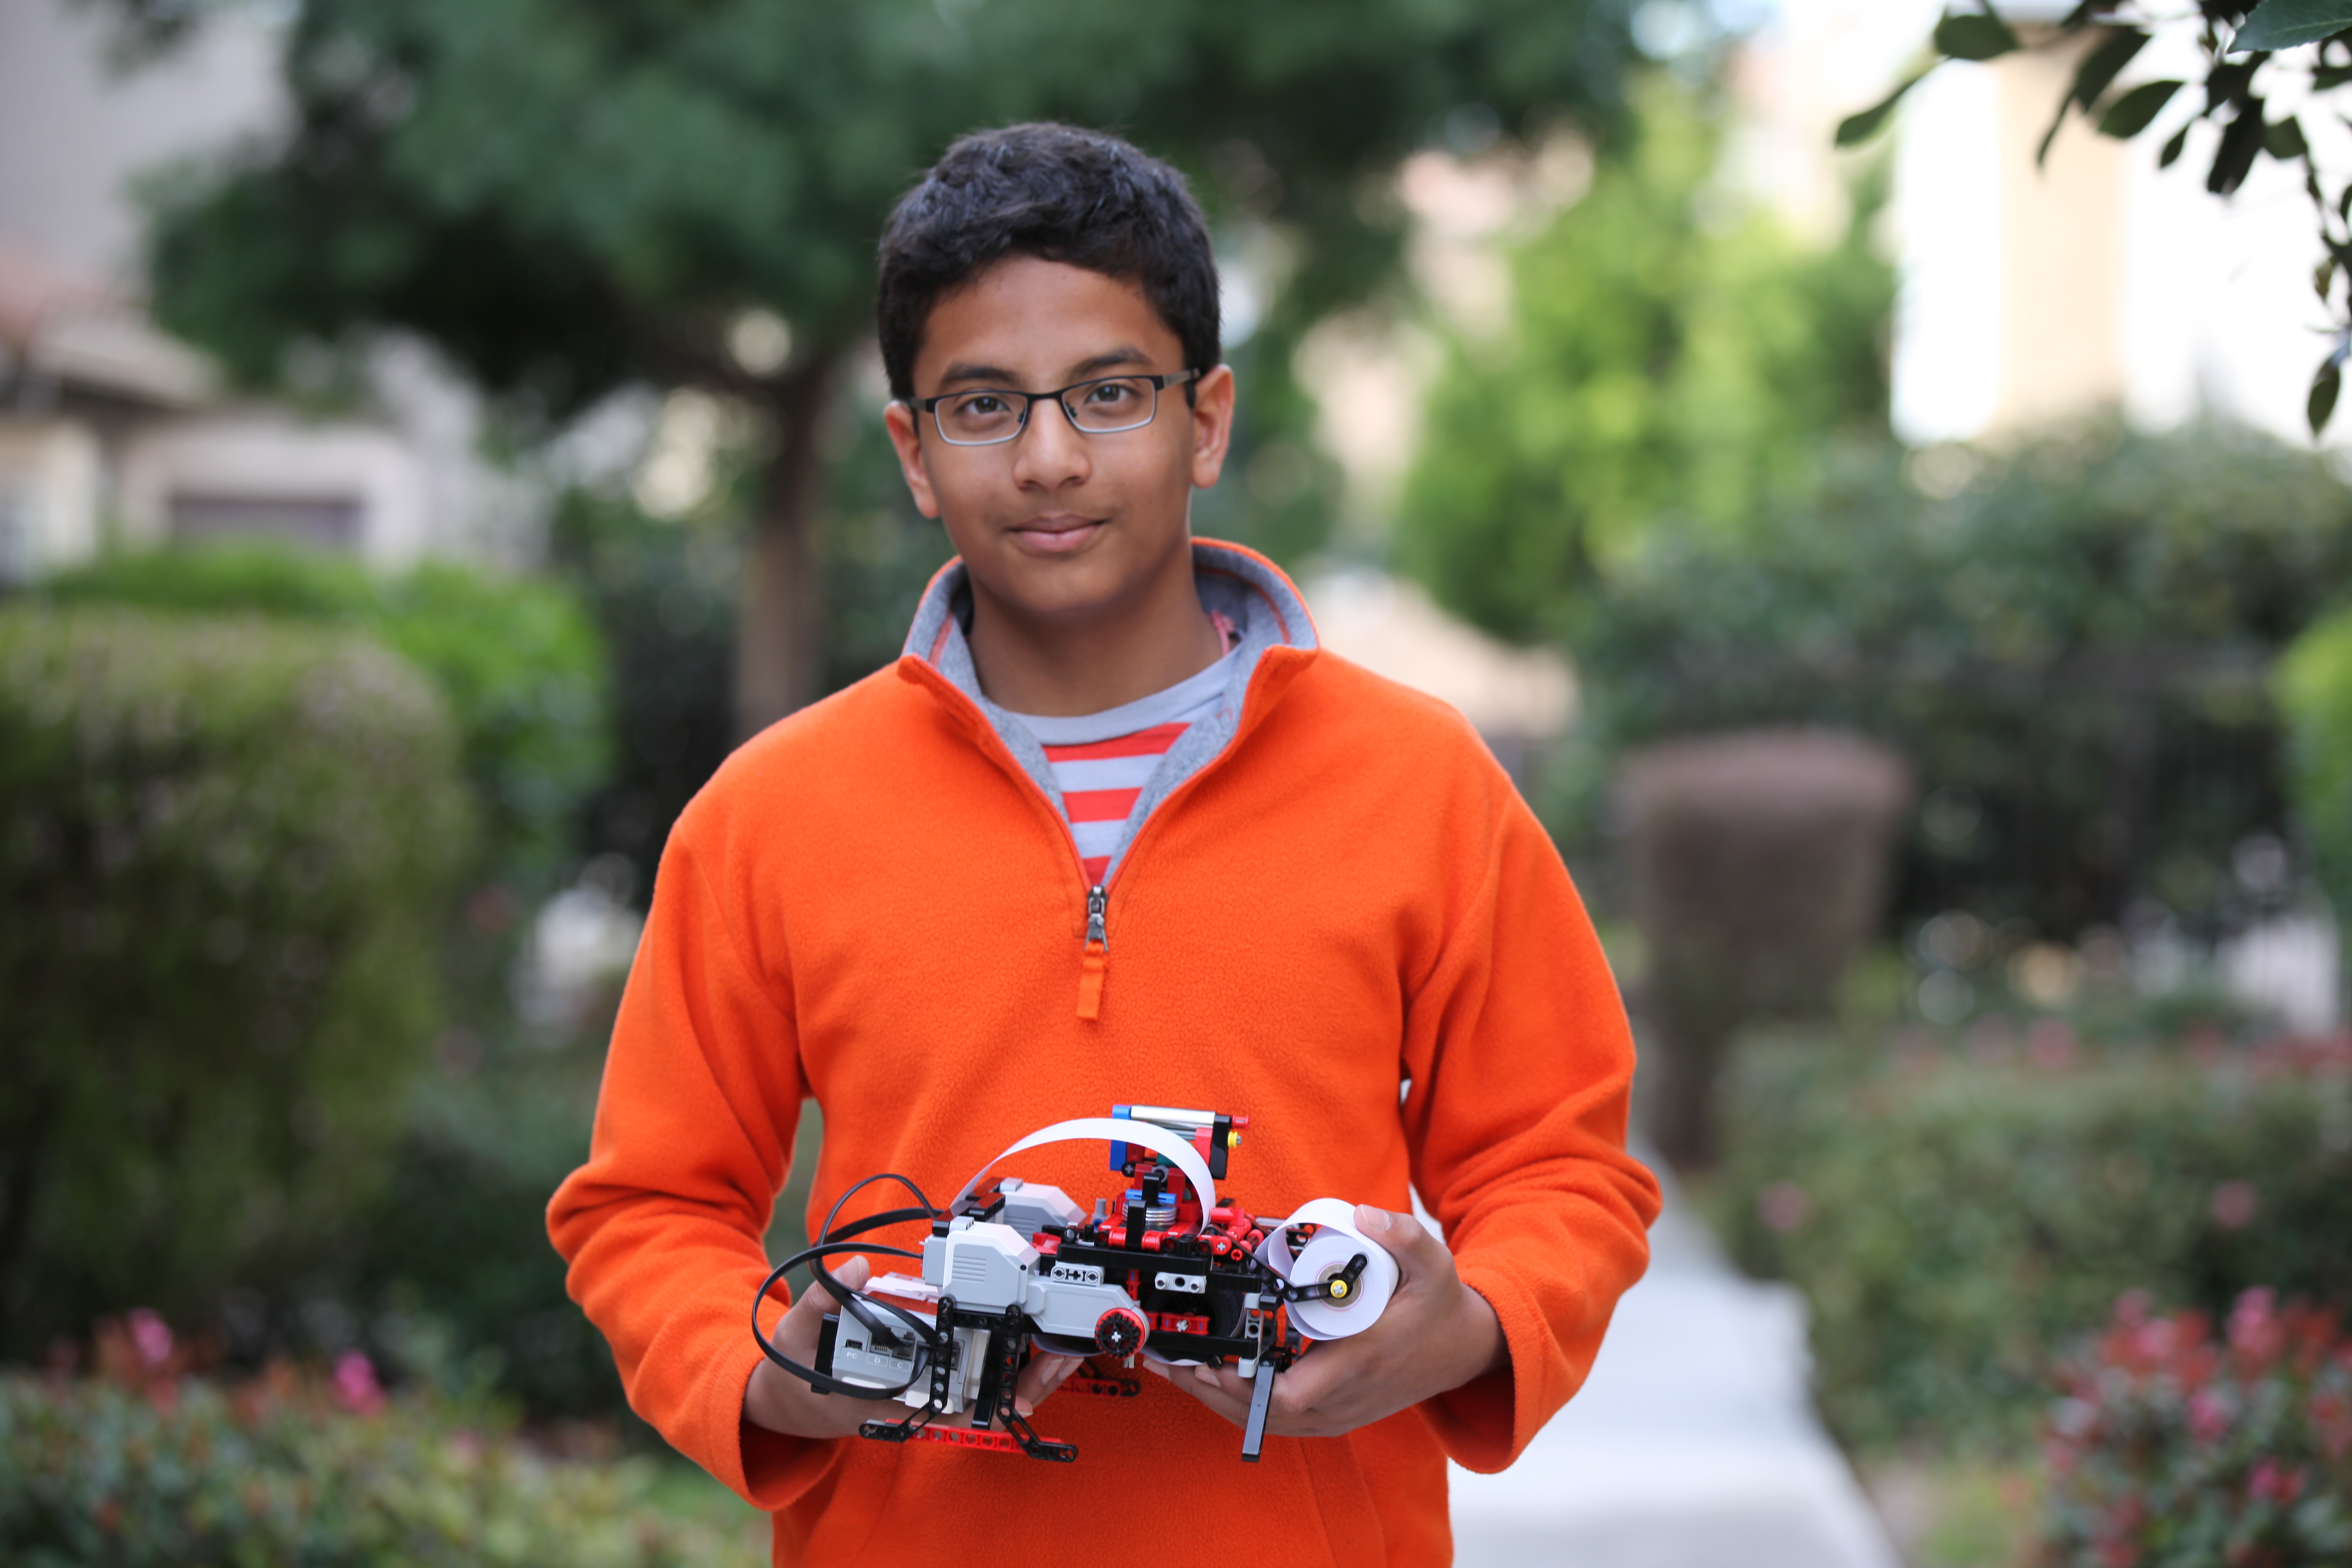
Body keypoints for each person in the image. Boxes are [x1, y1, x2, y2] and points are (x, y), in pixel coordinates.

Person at [548, 121, 1658, 1566]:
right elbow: (649, 1203)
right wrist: (768, 1373)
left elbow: (1561, 1166)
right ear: (913, 450)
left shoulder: (1420, 781)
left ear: (1205, 420)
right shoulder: (770, 816)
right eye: (985, 405)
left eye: (1111, 394)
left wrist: (1477, 1323)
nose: (1053, 457)